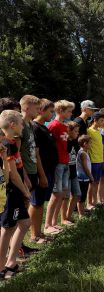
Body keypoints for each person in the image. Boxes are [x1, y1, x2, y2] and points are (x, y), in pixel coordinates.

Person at [0, 110, 31, 279]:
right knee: (8, 228)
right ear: (12, 125)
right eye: (20, 122)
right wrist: (26, 191)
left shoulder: (10, 142)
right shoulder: (7, 143)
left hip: (13, 190)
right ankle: (2, 267)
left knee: (24, 222)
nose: (23, 125)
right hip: (11, 191)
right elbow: (12, 174)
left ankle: (10, 262)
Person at [45, 100, 74, 235]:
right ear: (61, 111)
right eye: (69, 111)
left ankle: (54, 222)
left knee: (61, 194)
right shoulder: (53, 125)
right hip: (57, 164)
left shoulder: (64, 126)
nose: (71, 113)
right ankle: (47, 224)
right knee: (55, 194)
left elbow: (66, 144)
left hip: (65, 162)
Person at [31, 99, 58, 243]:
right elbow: (36, 154)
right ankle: (34, 235)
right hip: (41, 171)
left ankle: (39, 232)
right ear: (41, 110)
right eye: (50, 111)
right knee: (36, 203)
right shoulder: (35, 128)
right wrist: (41, 175)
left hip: (49, 170)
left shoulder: (44, 127)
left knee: (41, 203)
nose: (52, 114)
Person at [19, 96, 43, 242]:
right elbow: (17, 154)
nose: (39, 111)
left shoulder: (30, 125)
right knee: (20, 211)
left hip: (32, 170)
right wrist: (25, 176)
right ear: (27, 108)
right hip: (24, 173)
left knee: (25, 207)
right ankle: (15, 248)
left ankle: (20, 245)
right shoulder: (19, 124)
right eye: (36, 108)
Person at [87, 112, 104, 209]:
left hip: (100, 160)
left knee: (97, 182)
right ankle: (89, 203)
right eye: (101, 121)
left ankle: (94, 201)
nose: (102, 122)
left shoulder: (98, 131)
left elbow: (101, 147)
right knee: (92, 183)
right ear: (95, 120)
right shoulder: (89, 131)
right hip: (93, 161)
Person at [64, 121, 81, 224]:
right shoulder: (65, 142)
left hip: (74, 171)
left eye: (78, 131)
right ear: (68, 131)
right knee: (65, 197)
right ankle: (64, 218)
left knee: (77, 194)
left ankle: (69, 215)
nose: (77, 133)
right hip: (66, 171)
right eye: (75, 131)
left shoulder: (75, 141)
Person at [76, 135, 94, 218]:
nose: (91, 144)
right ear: (85, 144)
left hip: (84, 178)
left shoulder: (84, 152)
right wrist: (91, 176)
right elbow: (85, 167)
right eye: (90, 143)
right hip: (82, 178)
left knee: (83, 196)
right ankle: (81, 214)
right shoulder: (82, 153)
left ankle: (82, 211)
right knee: (81, 197)